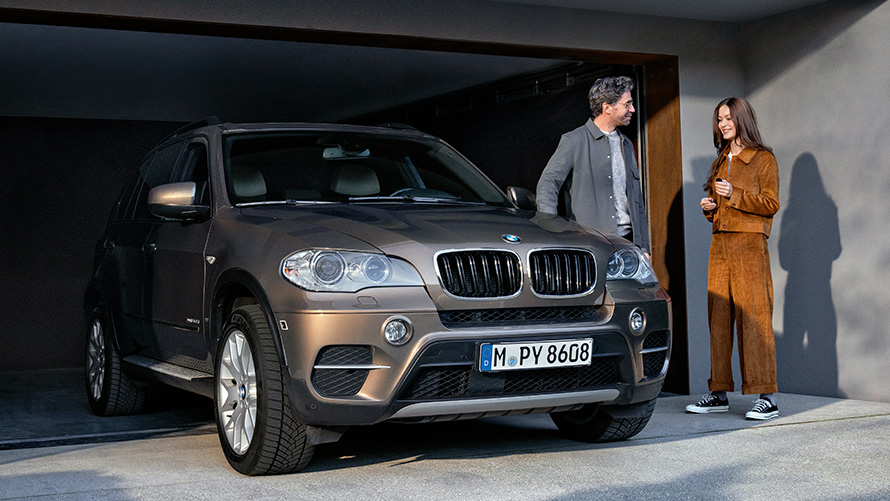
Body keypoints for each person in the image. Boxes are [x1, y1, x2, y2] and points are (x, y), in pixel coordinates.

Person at [686, 97, 781, 420]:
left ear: (742, 119)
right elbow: (720, 206)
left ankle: (766, 396)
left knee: (754, 319)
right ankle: (718, 391)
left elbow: (770, 204)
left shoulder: (763, 159)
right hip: (720, 246)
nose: (723, 124)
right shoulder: (721, 158)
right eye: (719, 120)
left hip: (750, 246)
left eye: (728, 118)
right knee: (719, 319)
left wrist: (734, 195)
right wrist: (709, 208)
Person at [535, 76, 649, 254]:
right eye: (627, 104)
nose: (632, 110)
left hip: (628, 243)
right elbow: (548, 183)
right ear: (607, 108)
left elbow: (637, 201)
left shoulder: (626, 144)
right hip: (590, 243)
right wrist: (551, 226)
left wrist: (644, 247)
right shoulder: (574, 140)